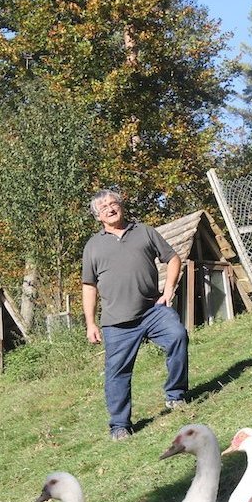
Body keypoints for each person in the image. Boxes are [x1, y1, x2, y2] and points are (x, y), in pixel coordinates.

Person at [81, 189, 189, 441]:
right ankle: (119, 425)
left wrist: (169, 289)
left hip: (152, 310)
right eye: (104, 207)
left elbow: (173, 259)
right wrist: (90, 323)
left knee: (178, 336)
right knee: (117, 373)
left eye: (113, 203)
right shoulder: (93, 246)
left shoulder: (144, 232)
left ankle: (176, 395)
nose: (110, 209)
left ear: (121, 205)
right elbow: (89, 286)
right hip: (116, 323)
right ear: (98, 216)